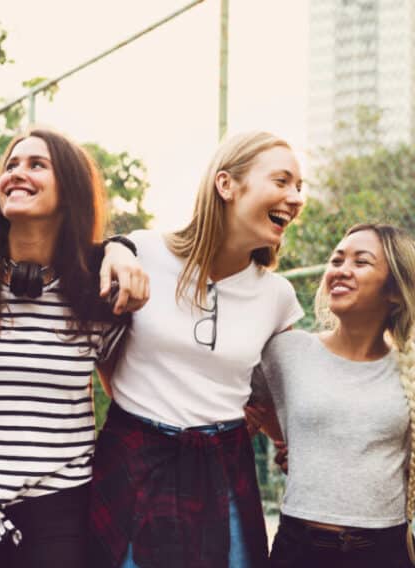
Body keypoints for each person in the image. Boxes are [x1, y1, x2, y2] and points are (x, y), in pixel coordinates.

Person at [90, 131, 307, 568]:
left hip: (223, 466)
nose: (296, 197)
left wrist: (287, 443)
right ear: (226, 185)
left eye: (299, 187)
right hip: (132, 454)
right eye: (282, 181)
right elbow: (102, 353)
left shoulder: (279, 297)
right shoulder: (142, 252)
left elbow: (273, 393)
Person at [0, 128, 135, 568]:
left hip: (58, 508)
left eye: (37, 165)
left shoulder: (101, 294)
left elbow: (124, 391)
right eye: (12, 166)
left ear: (71, 190)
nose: (19, 172)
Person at [250, 223, 415, 568]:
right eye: (337, 260)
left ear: (395, 292)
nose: (341, 270)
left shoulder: (409, 368)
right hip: (298, 549)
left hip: (385, 551)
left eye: (361, 262)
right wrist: (290, 443)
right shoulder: (286, 352)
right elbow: (245, 405)